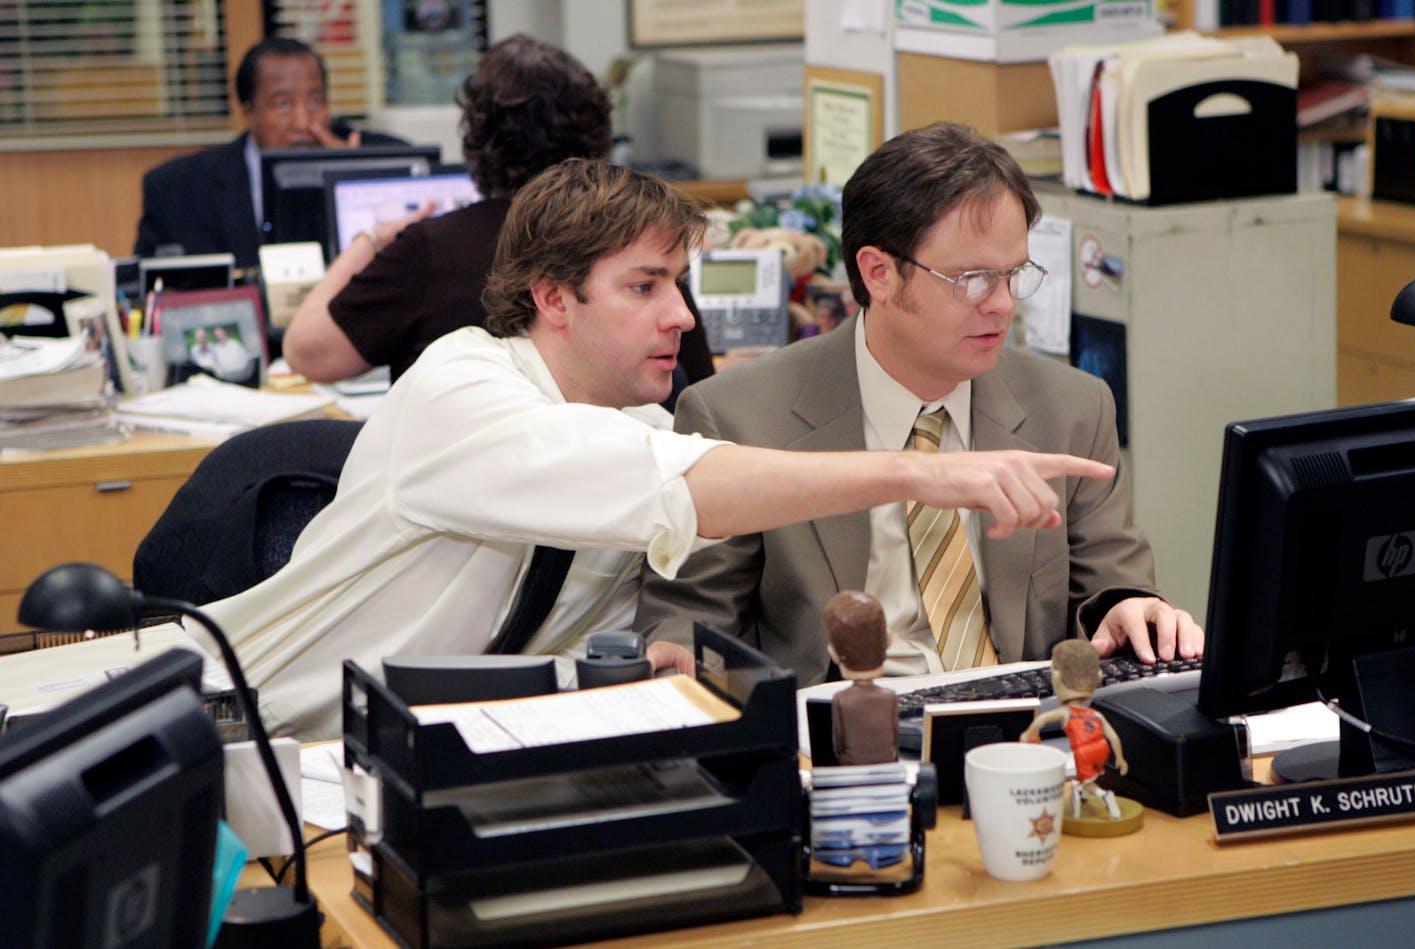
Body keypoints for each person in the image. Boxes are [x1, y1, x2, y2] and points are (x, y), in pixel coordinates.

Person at [200, 157, 1114, 741]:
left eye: (678, 283)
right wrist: (928, 470)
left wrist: (673, 650)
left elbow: (668, 587)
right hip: (256, 728)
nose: (682, 315)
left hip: (426, 746)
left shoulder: (638, 426)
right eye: (644, 286)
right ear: (554, 297)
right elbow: (682, 490)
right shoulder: (460, 388)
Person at [635, 123, 1204, 687]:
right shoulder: (737, 417)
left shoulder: (1072, 407)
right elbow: (689, 621)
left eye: (1014, 274)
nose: (1002, 305)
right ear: (878, 274)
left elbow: (1111, 583)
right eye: (974, 279)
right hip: (844, 735)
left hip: (1025, 728)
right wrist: (681, 662)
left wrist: (1129, 611)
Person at [281, 33, 714, 390]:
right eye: (645, 288)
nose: (679, 315)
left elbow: (307, 352)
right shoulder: (632, 245)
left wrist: (370, 240)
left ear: (478, 138)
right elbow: (697, 390)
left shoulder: (431, 248)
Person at [133, 36, 404, 269]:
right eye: (283, 104)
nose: (302, 122)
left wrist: (353, 178)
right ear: (249, 112)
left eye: (315, 101)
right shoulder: (177, 189)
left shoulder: (369, 154)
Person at [1020, 639, 1128, 819]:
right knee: (1087, 777)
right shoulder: (1095, 714)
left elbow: (1042, 719)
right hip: (1102, 749)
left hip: (1084, 752)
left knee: (1088, 782)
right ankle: (1081, 795)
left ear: (1057, 677)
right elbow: (1113, 737)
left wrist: (1028, 733)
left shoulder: (1066, 713)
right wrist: (1119, 758)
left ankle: (1103, 796)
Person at [825, 591, 898, 766]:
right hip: (887, 770)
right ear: (887, 641)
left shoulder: (841, 700)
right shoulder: (890, 696)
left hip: (852, 771)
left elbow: (838, 744)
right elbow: (895, 738)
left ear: (833, 653)